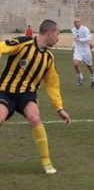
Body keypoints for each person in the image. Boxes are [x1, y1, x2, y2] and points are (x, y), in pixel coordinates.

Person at [0, 19, 71, 174]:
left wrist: (59, 108)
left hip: (27, 95)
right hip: (6, 91)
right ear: (50, 33)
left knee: (34, 118)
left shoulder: (49, 58)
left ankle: (47, 162)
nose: (58, 38)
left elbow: (52, 84)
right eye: (58, 34)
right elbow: (1, 48)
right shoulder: (23, 42)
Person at [71, 18, 94, 88]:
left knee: (90, 67)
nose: (76, 23)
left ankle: (93, 81)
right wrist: (73, 46)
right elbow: (74, 39)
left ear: (80, 22)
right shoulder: (73, 30)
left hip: (86, 51)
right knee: (75, 63)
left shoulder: (85, 29)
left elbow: (89, 38)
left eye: (77, 22)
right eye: (75, 22)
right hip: (78, 50)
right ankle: (80, 77)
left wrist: (80, 40)